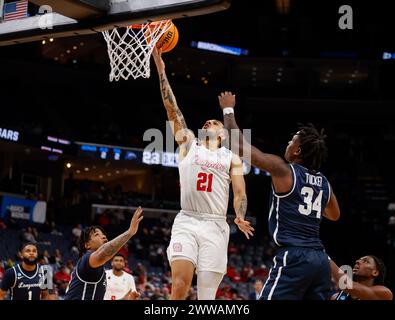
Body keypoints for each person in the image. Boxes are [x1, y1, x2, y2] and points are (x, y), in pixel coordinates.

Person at [152, 49, 254, 300]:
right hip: (187, 220)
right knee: (179, 286)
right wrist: (161, 68)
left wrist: (239, 216)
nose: (208, 123)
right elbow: (171, 109)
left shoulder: (231, 157)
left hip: (216, 225)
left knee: (206, 297)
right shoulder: (189, 144)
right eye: (206, 122)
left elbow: (240, 193)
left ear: (222, 134)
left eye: (214, 122)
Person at [218, 92, 340, 300]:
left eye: (291, 141)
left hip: (295, 256)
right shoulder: (324, 182)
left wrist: (228, 110)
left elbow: (237, 146)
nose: (288, 144)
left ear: (297, 151)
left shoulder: (283, 170)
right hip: (320, 260)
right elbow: (334, 215)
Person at [64, 207, 143, 300]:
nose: (104, 236)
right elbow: (104, 253)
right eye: (97, 234)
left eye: (103, 234)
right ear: (87, 245)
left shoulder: (98, 269)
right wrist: (129, 233)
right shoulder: (86, 259)